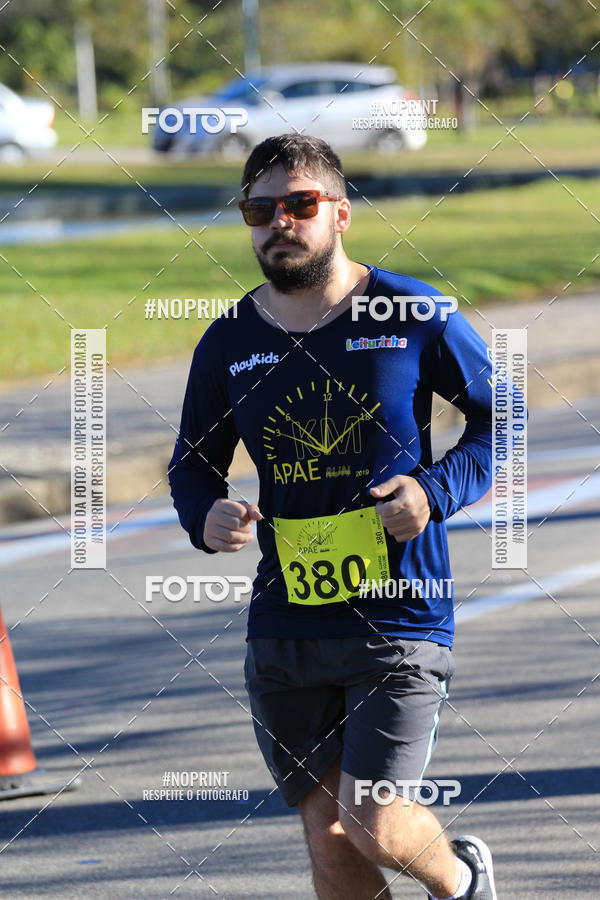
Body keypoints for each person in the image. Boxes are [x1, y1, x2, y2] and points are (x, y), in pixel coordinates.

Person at [169, 133, 496, 900]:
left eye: (299, 204)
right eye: (259, 210)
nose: (279, 222)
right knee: (327, 832)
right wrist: (203, 514)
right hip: (286, 622)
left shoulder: (411, 312)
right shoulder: (228, 341)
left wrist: (433, 491)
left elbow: (499, 417)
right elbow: (192, 465)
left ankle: (462, 879)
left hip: (400, 613)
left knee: (372, 820)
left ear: (340, 214)